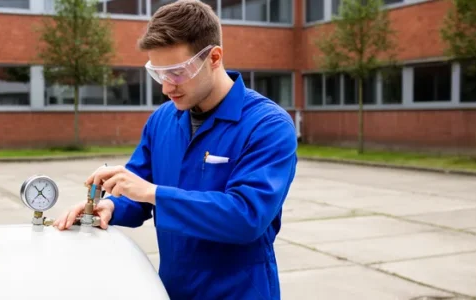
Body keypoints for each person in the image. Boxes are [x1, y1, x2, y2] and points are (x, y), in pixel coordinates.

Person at [52, 0, 298, 299]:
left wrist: (151, 192)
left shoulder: (267, 125)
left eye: (177, 72)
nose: (167, 87)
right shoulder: (163, 119)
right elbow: (138, 192)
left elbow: (246, 218)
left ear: (214, 57)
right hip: (172, 288)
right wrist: (112, 207)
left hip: (238, 291)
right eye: (158, 73)